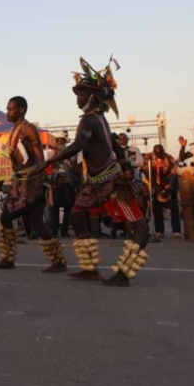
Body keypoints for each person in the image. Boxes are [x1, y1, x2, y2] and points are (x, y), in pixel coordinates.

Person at [40, 58, 149, 287]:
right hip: (97, 181)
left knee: (138, 224)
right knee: (77, 217)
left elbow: (78, 145)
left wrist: (47, 162)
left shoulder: (91, 118)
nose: (77, 99)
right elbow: (113, 144)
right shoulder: (99, 118)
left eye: (82, 94)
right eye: (78, 94)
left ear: (93, 97)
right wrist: (121, 159)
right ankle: (90, 268)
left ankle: (124, 274)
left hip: (109, 181)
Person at [0, 97, 66, 272]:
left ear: (22, 110)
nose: (8, 112)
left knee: (7, 218)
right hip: (20, 181)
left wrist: (35, 180)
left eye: (11, 109)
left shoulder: (29, 129)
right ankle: (57, 260)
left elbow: (39, 157)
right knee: (37, 222)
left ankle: (9, 258)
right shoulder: (15, 130)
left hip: (30, 182)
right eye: (7, 109)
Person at [147, 144, 182, 239]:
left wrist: (170, 184)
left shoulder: (169, 158)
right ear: (154, 152)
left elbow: (174, 172)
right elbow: (147, 173)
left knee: (174, 209)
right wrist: (155, 186)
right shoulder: (149, 158)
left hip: (169, 185)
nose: (158, 155)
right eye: (156, 153)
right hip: (156, 186)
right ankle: (159, 231)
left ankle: (176, 231)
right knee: (157, 210)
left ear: (163, 151)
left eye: (160, 153)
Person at [46, 133, 78, 237]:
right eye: (58, 140)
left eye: (62, 141)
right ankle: (53, 230)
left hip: (67, 184)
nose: (60, 142)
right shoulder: (51, 154)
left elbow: (75, 169)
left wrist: (70, 178)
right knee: (53, 208)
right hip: (55, 184)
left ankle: (64, 230)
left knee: (68, 208)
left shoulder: (71, 155)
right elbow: (47, 168)